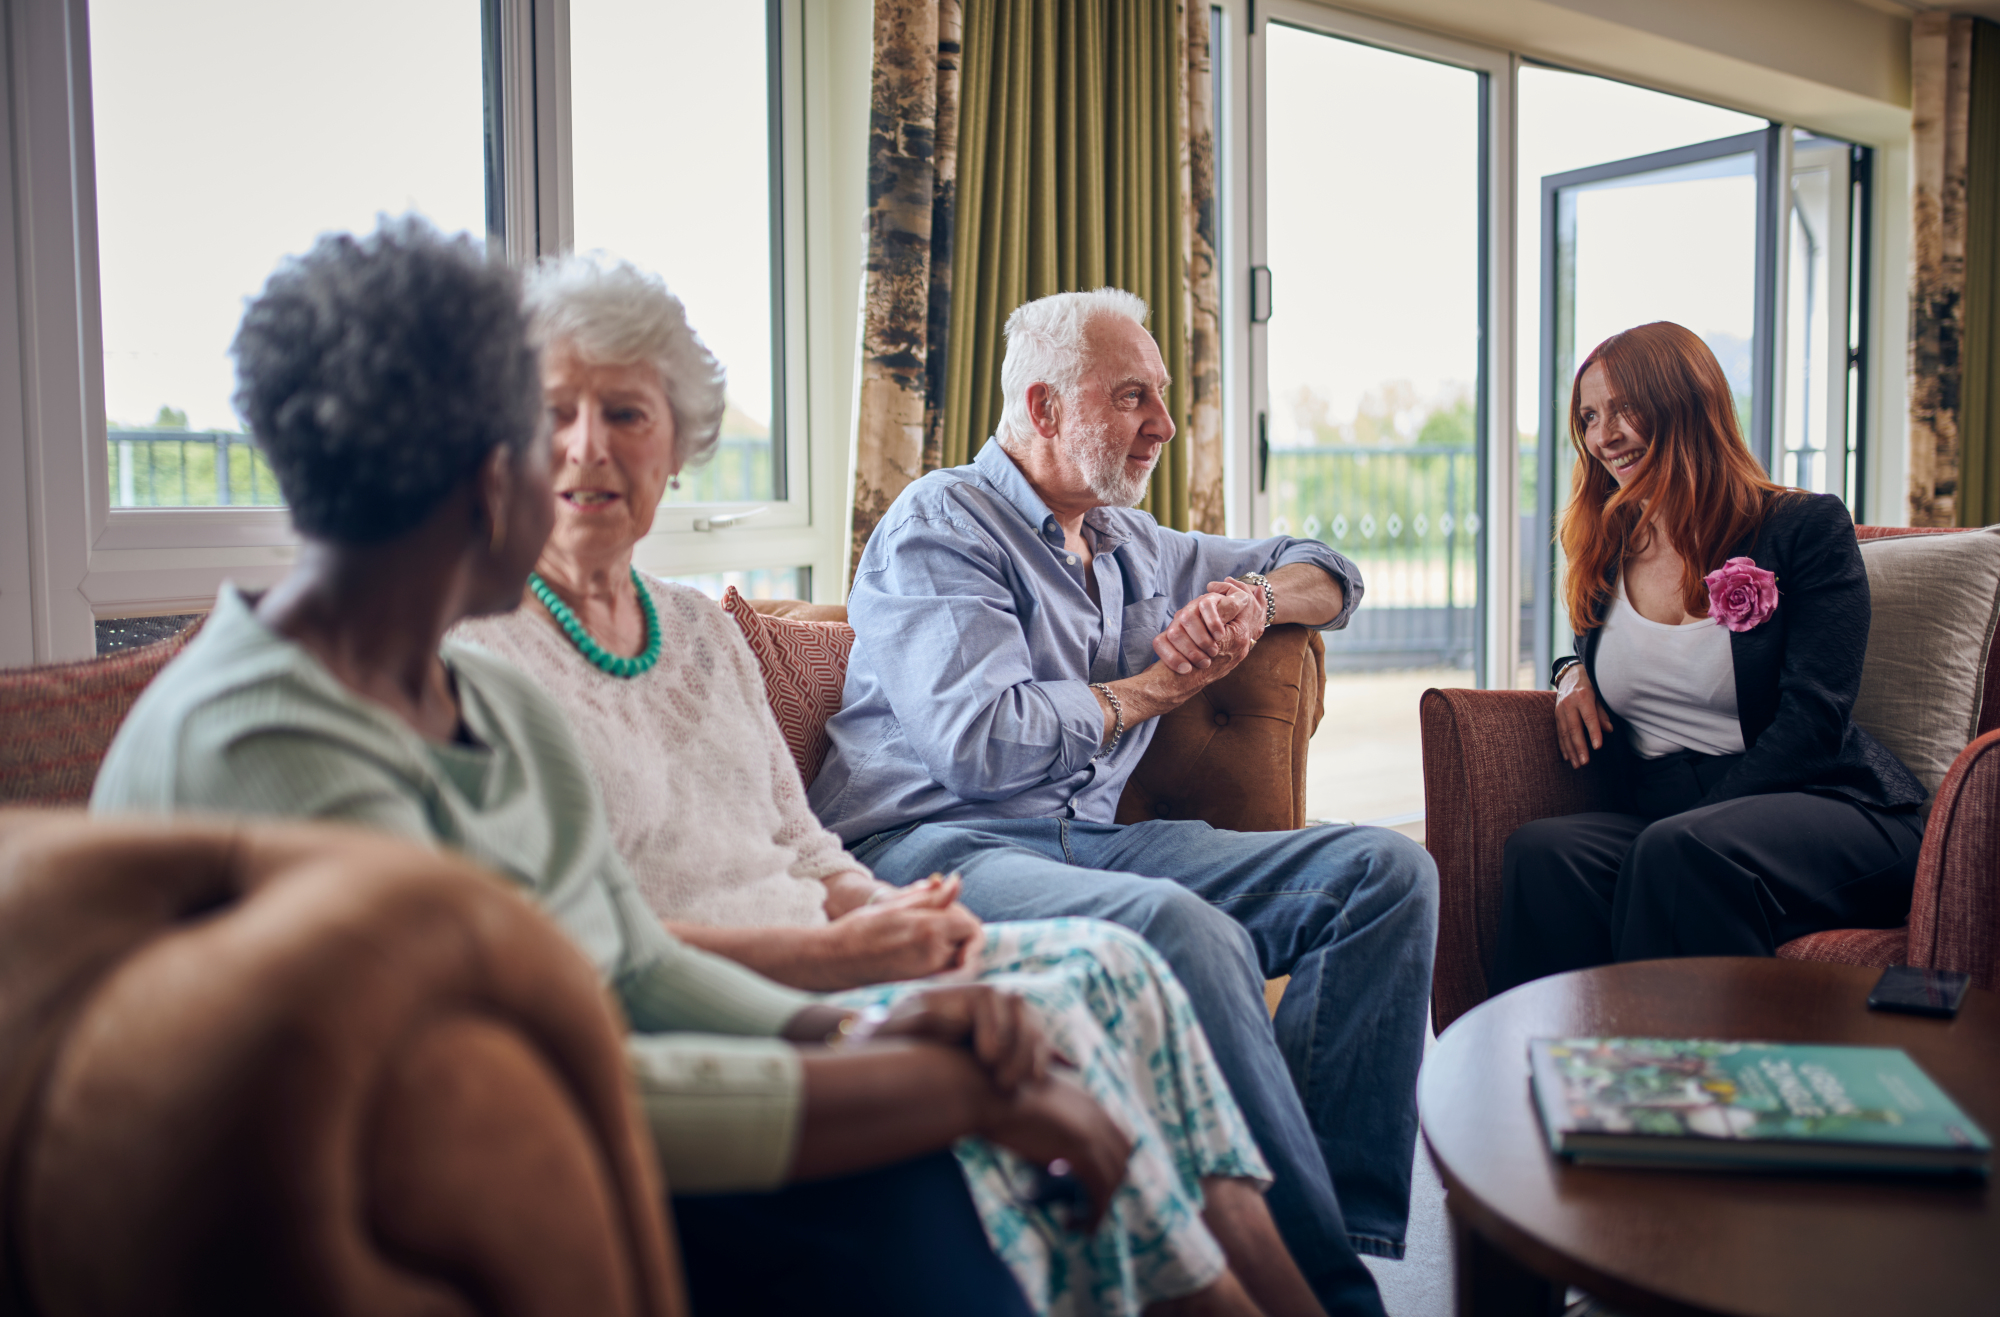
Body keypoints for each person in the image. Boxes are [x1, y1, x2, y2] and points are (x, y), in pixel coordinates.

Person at [88, 219, 1130, 1317]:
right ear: (488, 475)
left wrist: (862, 1025)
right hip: (374, 1231)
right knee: (889, 1187)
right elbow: (501, 1107)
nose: (579, 462)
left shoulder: (488, 702)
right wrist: (937, 1086)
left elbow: (628, 966)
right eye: (543, 432)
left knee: (896, 1186)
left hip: (527, 1168)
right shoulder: (264, 747)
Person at [453, 253, 1327, 1317]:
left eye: (627, 414)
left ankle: (1305, 1294)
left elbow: (803, 840)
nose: (590, 445)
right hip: (749, 987)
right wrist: (848, 946)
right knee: (1132, 957)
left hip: (858, 930)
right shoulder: (476, 651)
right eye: (554, 412)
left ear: (676, 447)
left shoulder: (690, 629)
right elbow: (577, 947)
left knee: (1124, 969)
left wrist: (889, 919)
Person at [806, 287, 1439, 1316]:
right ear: (1045, 408)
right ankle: (1324, 1296)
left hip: (1087, 845)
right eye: (1133, 397)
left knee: (1384, 874)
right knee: (1176, 929)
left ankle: (1319, 1236)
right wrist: (1155, 687)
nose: (1162, 425)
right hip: (933, 848)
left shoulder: (1131, 541)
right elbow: (981, 745)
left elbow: (1332, 571)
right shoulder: (940, 523)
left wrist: (1252, 599)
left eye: (1162, 400)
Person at [1488, 321, 1926, 992]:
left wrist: (1694, 822)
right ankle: (1557, 1075)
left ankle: (1685, 1090)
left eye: (1623, 407)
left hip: (1823, 804)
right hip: (1673, 815)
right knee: (1541, 853)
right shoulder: (1607, 545)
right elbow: (1598, 654)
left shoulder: (1803, 528)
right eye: (1589, 416)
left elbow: (1816, 719)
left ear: (1684, 400)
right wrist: (1568, 673)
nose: (1604, 435)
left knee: (1675, 853)